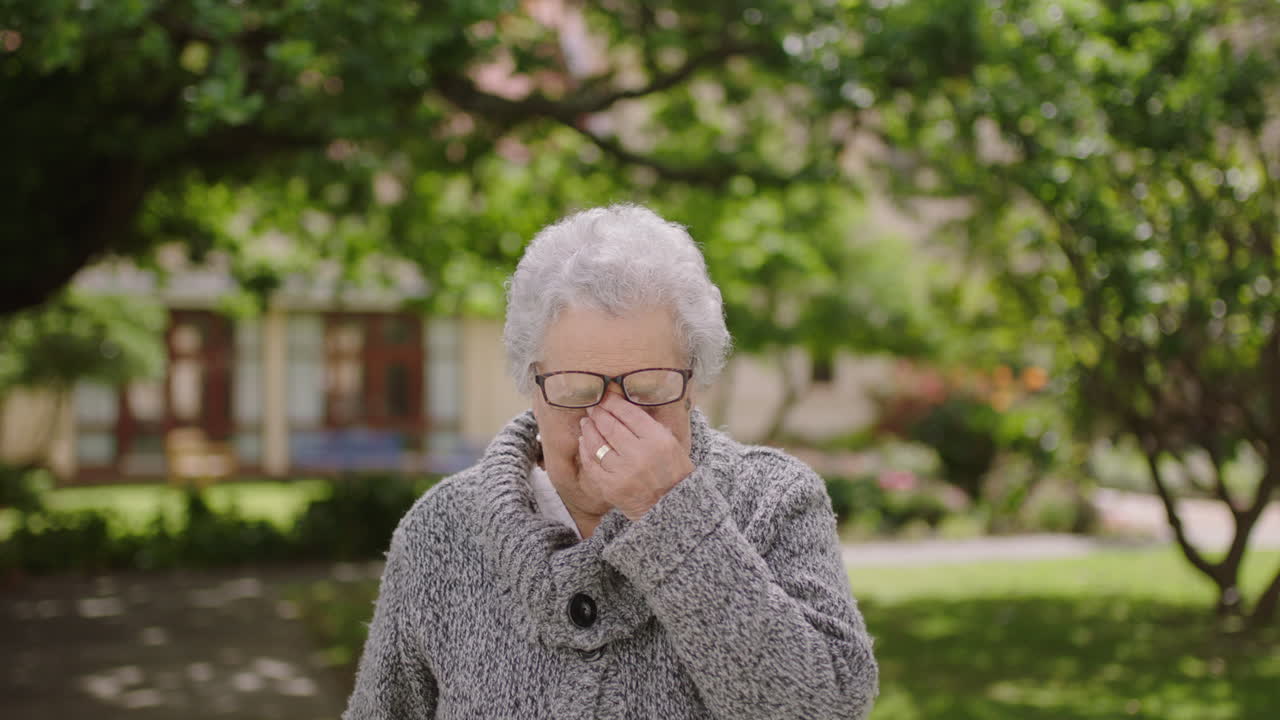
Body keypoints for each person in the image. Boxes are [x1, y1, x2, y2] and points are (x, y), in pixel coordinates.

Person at [343, 204, 879, 719]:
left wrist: (671, 514)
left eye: (649, 390)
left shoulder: (772, 501)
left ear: (692, 382)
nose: (613, 422)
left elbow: (825, 706)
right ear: (533, 384)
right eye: (577, 391)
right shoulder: (442, 531)